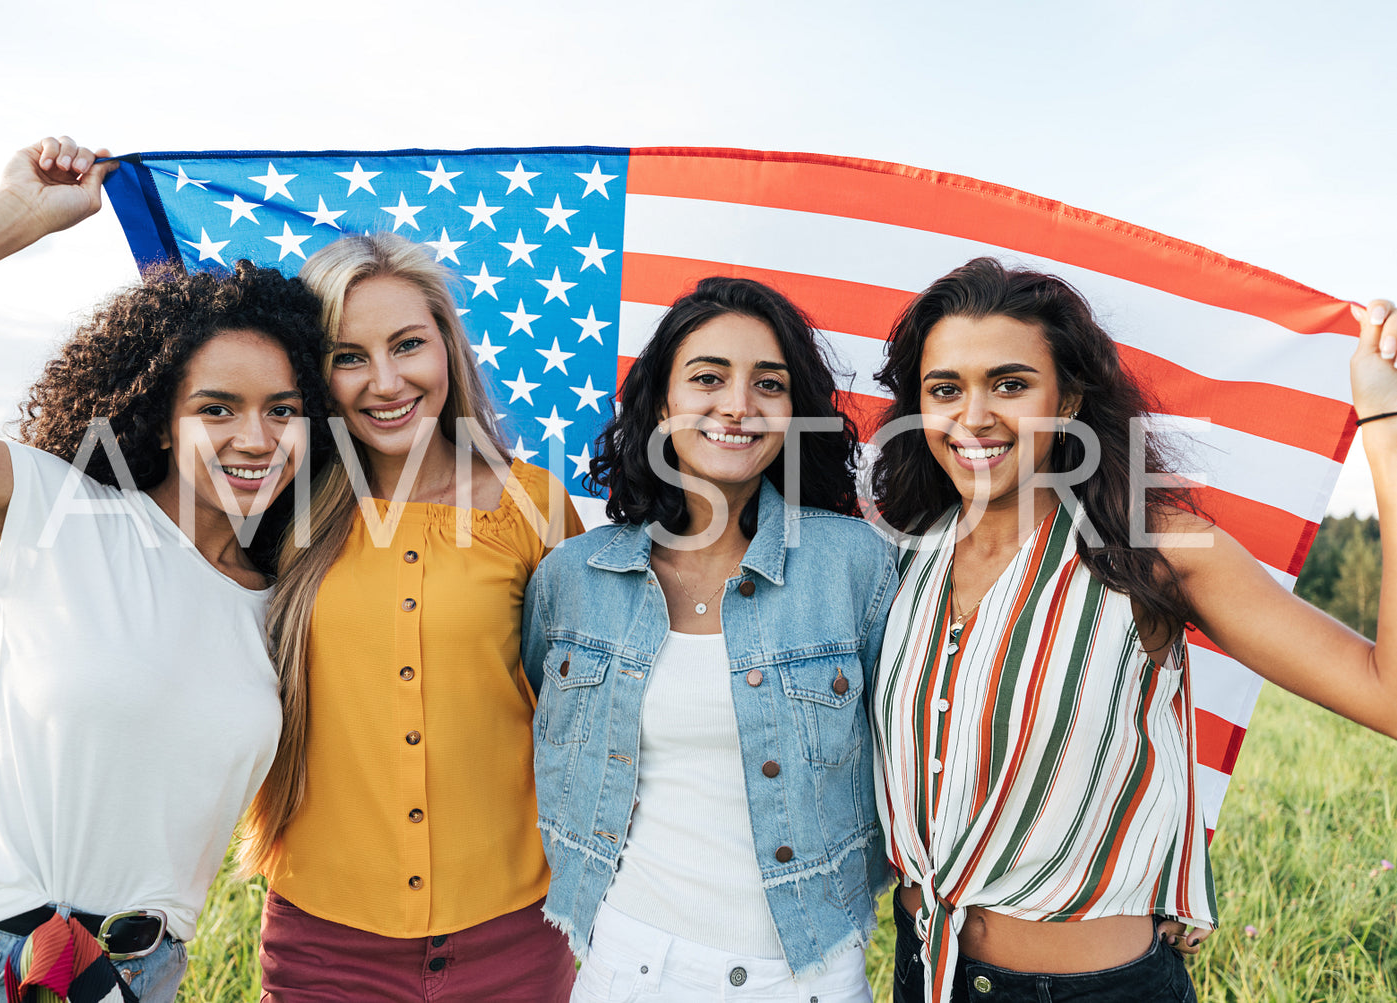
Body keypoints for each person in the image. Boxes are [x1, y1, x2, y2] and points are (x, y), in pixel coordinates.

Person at [868, 257, 1397, 1003]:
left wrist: (1383, 427)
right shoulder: (899, 556)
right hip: (921, 974)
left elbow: (1388, 692)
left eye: (1010, 384)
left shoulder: (1156, 548)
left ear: (1070, 398)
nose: (973, 415)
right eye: (944, 388)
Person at [0, 137, 332, 1003]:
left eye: (283, 409)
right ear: (161, 419)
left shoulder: (285, 602)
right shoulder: (52, 514)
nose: (256, 437)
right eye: (217, 408)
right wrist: (15, 215)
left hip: (142, 977)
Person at [523, 277, 901, 1002]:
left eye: (769, 383)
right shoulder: (573, 576)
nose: (737, 404)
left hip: (811, 974)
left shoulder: (854, 564)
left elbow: (917, 751)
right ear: (661, 403)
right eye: (707, 378)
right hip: (628, 965)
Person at [238, 231, 584, 1002]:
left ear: (447, 350)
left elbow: (586, 709)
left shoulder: (534, 503)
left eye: (407, 346)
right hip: (325, 939)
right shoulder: (276, 513)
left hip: (517, 931)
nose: (384, 381)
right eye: (348, 355)